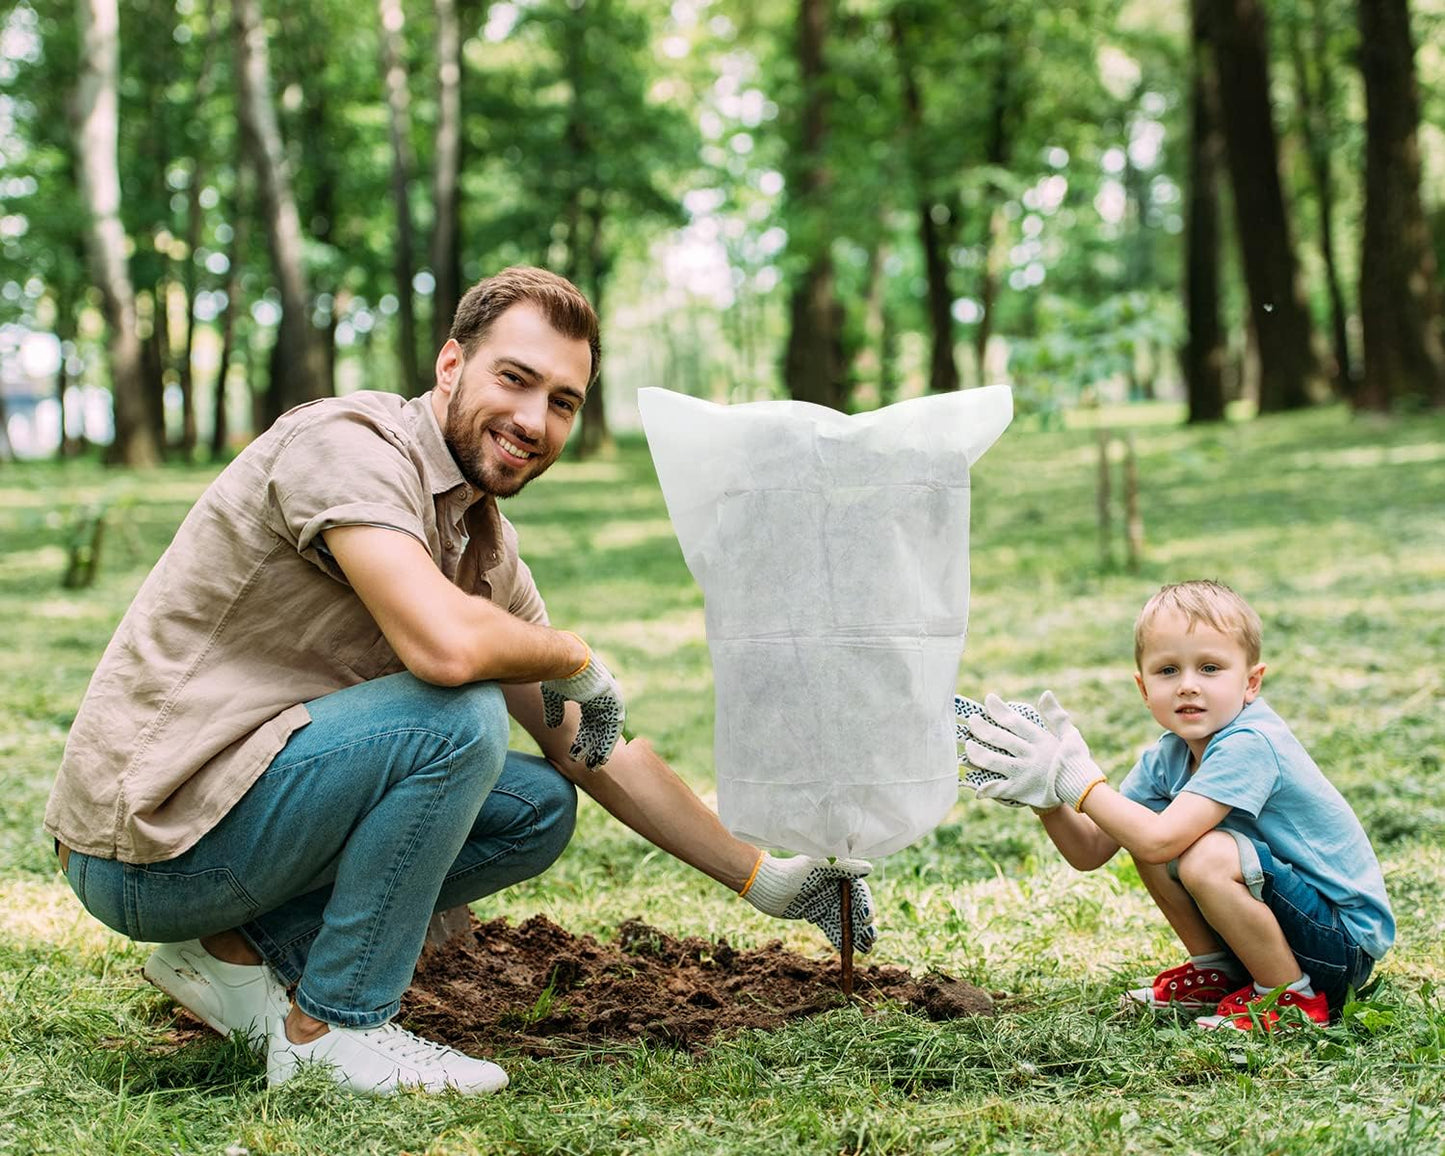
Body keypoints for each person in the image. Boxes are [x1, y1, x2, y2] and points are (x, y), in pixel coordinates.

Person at [46, 266, 876, 1095]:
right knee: (458, 717)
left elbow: (590, 749)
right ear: (451, 366)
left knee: (537, 810)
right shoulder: (346, 446)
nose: (532, 420)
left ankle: (227, 953)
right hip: (150, 848)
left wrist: (764, 877)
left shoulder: (480, 541)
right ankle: (330, 1032)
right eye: (514, 379)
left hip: (235, 823)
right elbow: (444, 650)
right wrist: (573, 657)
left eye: (562, 401)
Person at [959, 579, 1393, 1032]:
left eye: (1209, 668)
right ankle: (1220, 975)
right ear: (1143, 688)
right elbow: (1090, 850)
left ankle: (1288, 1001)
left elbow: (1161, 839)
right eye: (1168, 671)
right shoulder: (1166, 757)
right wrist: (1045, 796)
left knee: (1197, 851)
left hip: (1340, 947)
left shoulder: (1251, 743)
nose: (1187, 686)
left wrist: (1076, 779)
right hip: (1281, 936)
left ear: (1251, 683)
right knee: (1140, 826)